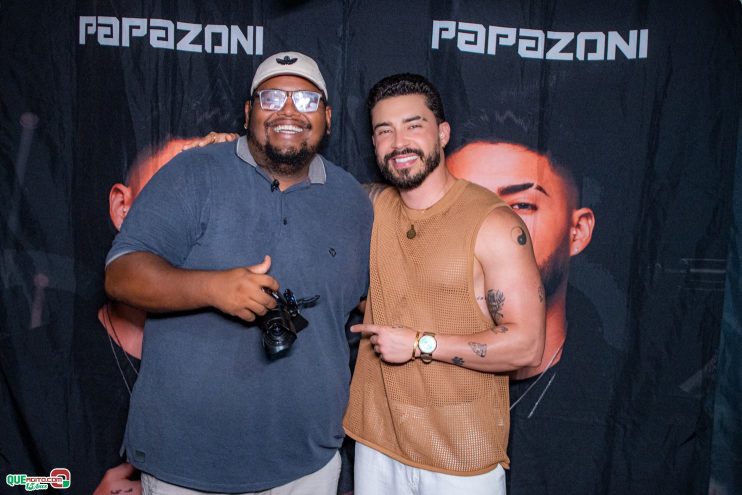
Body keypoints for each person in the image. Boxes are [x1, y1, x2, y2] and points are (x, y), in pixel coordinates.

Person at [104, 51, 372, 494]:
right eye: (272, 98)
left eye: (307, 100)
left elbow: (359, 301)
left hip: (307, 465)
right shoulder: (194, 172)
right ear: (249, 112)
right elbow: (121, 273)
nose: (289, 111)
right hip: (185, 465)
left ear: (327, 117)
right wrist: (213, 288)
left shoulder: (352, 200)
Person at [343, 73, 546, 495]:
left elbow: (526, 345)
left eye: (413, 126)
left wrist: (420, 343)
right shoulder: (371, 206)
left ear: (443, 133)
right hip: (377, 444)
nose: (399, 143)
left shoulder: (495, 224)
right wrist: (233, 151)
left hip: (461, 456)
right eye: (384, 131)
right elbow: (304, 179)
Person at [447, 140, 623, 494]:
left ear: (577, 231)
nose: (489, 229)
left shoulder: (626, 402)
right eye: (463, 205)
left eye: (521, 206)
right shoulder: (407, 373)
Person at [92, 134, 237, 495]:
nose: (193, 218)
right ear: (122, 208)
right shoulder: (45, 358)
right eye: (171, 192)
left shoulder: (232, 359)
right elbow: (20, 477)